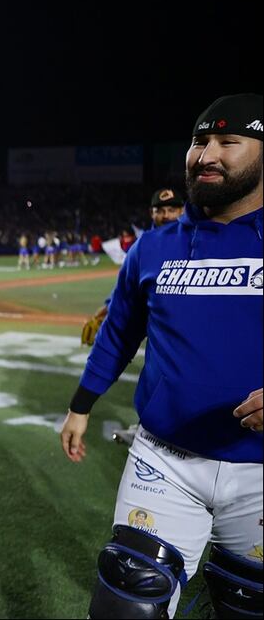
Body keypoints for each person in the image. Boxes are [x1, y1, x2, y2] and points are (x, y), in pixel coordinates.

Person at [59, 93, 263, 619]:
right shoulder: (154, 247)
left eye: (227, 140)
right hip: (163, 459)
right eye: (199, 141)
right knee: (126, 600)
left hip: (260, 472)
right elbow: (118, 334)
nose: (206, 153)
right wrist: (82, 405)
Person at [80, 188, 186, 445]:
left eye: (172, 209)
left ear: (183, 211)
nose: (166, 215)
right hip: (156, 320)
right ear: (151, 213)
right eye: (160, 210)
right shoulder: (146, 245)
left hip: (182, 322)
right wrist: (108, 307)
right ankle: (145, 427)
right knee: (154, 374)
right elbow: (129, 288)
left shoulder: (192, 237)